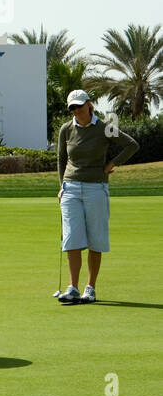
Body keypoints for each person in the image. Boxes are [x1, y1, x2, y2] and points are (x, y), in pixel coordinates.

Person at [55, 89, 137, 303]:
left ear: (89, 105)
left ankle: (90, 288)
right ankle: (72, 287)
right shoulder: (66, 129)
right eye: (72, 107)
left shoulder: (103, 128)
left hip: (96, 188)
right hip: (71, 188)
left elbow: (131, 145)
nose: (76, 110)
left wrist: (112, 163)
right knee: (72, 237)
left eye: (79, 106)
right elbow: (61, 159)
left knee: (95, 239)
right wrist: (62, 186)